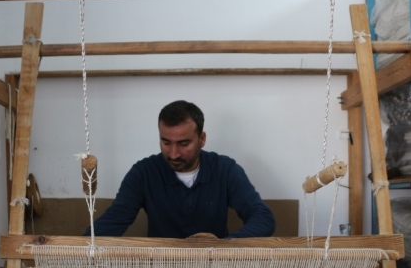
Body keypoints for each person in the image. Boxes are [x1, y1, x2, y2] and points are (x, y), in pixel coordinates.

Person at [84, 100, 275, 238]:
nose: (174, 154)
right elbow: (115, 218)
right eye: (166, 142)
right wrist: (79, 248)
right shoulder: (144, 173)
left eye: (183, 144)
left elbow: (262, 217)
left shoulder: (225, 170)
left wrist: (224, 248)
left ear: (202, 139)